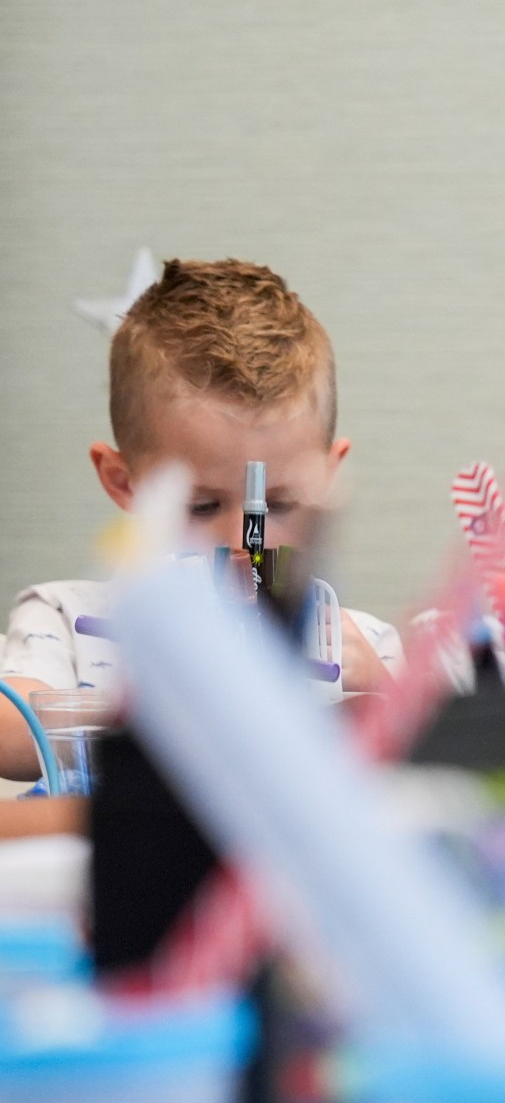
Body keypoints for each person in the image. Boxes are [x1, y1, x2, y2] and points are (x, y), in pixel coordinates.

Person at [2, 259, 402, 782]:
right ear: (125, 483)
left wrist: (378, 695)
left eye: (276, 506)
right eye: (201, 506)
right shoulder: (64, 617)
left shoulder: (358, 642)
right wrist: (148, 712)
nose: (245, 540)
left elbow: (427, 775)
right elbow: (8, 734)